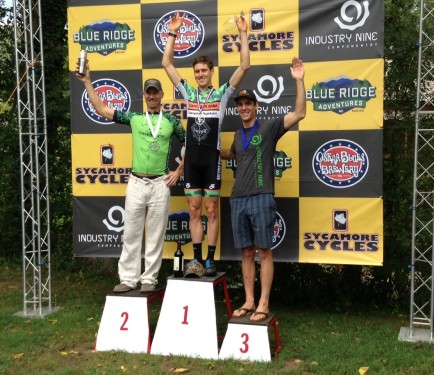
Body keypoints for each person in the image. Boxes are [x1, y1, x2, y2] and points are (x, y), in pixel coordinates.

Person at [76, 63, 186, 293]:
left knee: (155, 236)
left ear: (162, 95)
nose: (153, 95)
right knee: (131, 234)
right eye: (149, 92)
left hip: (159, 184)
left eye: (156, 92)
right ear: (144, 96)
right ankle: (128, 278)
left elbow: (190, 145)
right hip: (136, 183)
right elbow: (103, 111)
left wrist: (179, 171)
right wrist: (87, 82)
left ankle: (149, 279)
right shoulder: (134, 118)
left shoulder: (172, 121)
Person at [162, 12, 250, 277]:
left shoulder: (222, 94)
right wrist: (173, 33)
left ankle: (211, 260)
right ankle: (196, 259)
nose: (200, 74)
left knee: (212, 210)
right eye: (197, 71)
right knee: (193, 210)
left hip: (211, 160)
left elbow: (244, 66)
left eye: (204, 71)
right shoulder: (188, 93)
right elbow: (166, 63)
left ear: (212, 72)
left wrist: (243, 33)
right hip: (192, 161)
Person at [220, 57, 306, 321]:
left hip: (261, 196)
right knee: (246, 252)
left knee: (264, 251)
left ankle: (264, 303)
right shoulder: (236, 135)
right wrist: (207, 149)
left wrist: (299, 80)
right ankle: (248, 300)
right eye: (240, 105)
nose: (244, 108)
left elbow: (300, 113)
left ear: (256, 106)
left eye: (248, 104)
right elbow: (234, 155)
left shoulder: (269, 127)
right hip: (238, 199)